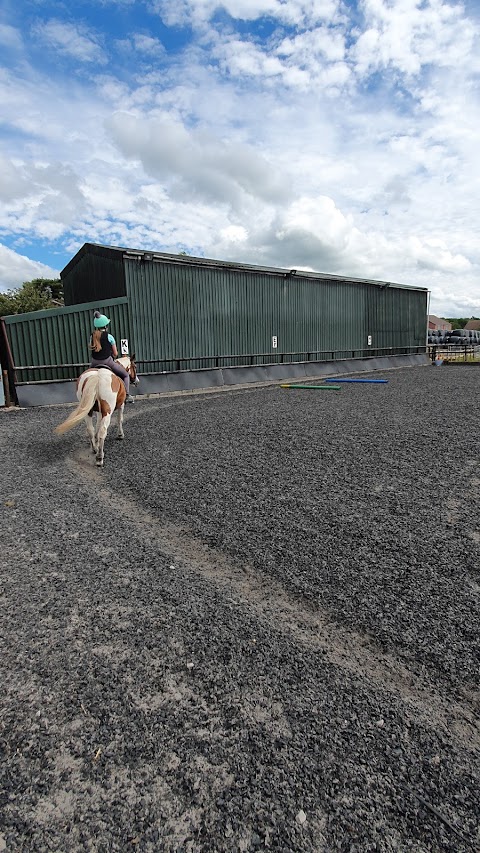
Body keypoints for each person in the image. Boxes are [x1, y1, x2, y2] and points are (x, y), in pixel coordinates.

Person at [89, 311, 134, 402]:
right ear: (105, 326)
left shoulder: (92, 337)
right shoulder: (109, 336)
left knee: (87, 377)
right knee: (125, 375)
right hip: (107, 361)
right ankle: (127, 395)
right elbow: (115, 353)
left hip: (94, 362)